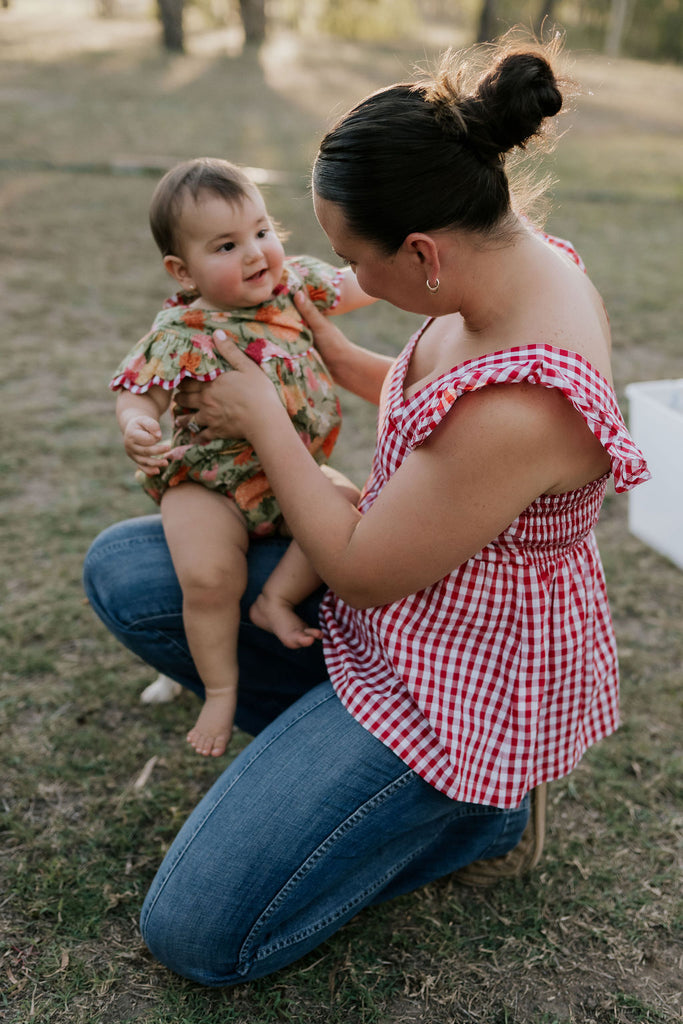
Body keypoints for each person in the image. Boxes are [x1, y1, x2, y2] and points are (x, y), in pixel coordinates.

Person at [83, 39, 650, 984]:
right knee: (130, 570)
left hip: (450, 682)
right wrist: (331, 355)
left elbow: (360, 568)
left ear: (420, 253)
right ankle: (342, 771)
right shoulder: (511, 263)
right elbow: (430, 401)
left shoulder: (525, 407)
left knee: (196, 935)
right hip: (392, 626)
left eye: (348, 258)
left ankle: (477, 810)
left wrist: (264, 416)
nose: (332, 271)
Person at [110, 157, 372, 756]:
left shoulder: (296, 287)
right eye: (227, 245)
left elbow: (365, 283)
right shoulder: (184, 328)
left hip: (291, 476)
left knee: (349, 506)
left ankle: (273, 601)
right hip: (211, 483)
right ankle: (221, 688)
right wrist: (137, 424)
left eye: (261, 231)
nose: (255, 253)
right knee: (207, 576)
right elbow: (139, 388)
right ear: (183, 269)